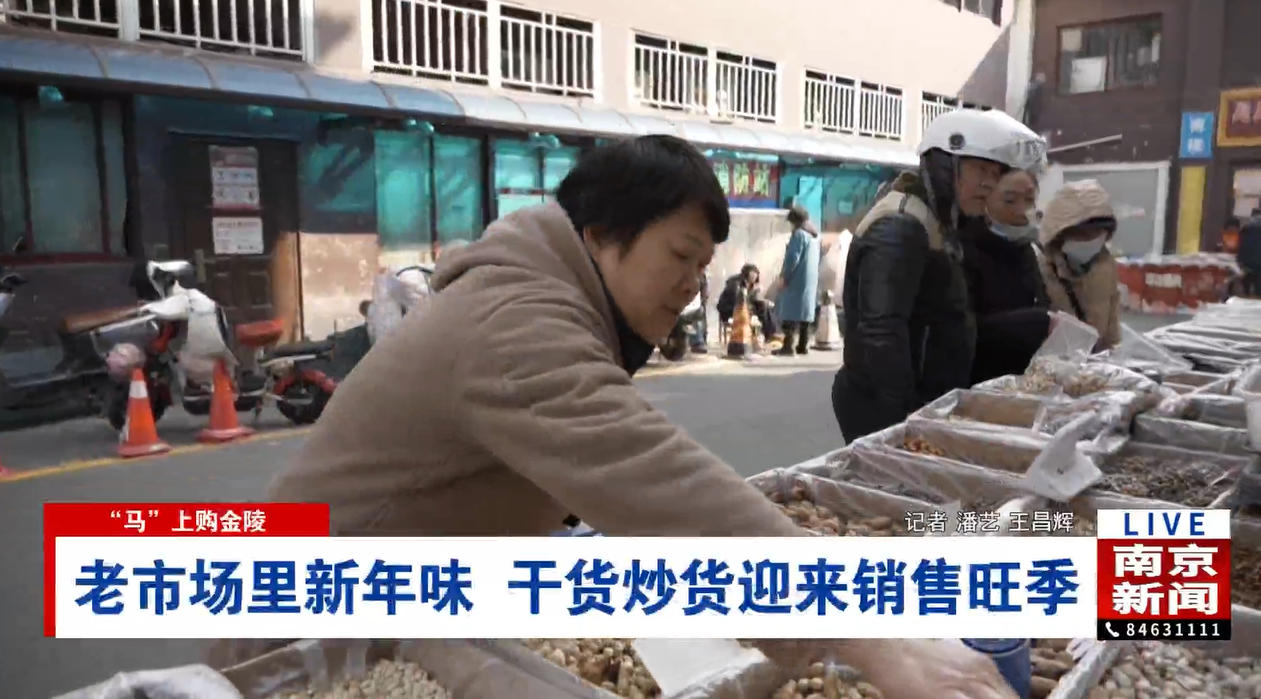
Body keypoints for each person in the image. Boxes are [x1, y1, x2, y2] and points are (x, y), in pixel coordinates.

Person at [263, 135, 1015, 698]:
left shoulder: (545, 298)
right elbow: (655, 477)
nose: (691, 288)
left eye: (702, 268)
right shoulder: (513, 321)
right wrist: (877, 643)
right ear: (599, 235)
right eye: (679, 257)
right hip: (306, 629)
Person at [831, 109, 1047, 442]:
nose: (989, 183)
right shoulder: (902, 225)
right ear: (946, 165)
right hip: (887, 410)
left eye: (995, 173)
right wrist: (905, 426)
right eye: (980, 169)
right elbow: (882, 335)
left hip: (925, 403)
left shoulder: (938, 221)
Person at [961, 166, 1053, 384]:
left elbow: (1041, 302)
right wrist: (1035, 322)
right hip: (978, 382)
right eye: (1010, 200)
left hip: (1023, 382)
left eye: (1029, 199)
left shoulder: (1026, 250)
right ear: (984, 201)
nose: (1022, 210)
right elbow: (962, 328)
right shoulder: (963, 250)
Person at [1036, 178, 1122, 350]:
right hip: (1053, 360)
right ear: (1059, 234)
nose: (1091, 240)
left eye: (1098, 232)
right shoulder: (1039, 270)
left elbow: (1112, 325)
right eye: (1082, 233)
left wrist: (1111, 356)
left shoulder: (1106, 266)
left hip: (1096, 360)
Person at [775, 204, 821, 356]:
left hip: (797, 279)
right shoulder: (814, 236)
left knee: (790, 311)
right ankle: (803, 346)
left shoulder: (799, 235)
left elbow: (792, 258)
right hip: (810, 280)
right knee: (804, 314)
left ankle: (788, 346)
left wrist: (784, 277)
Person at [717, 263, 779, 344]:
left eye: (755, 274)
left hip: (742, 307)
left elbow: (752, 299)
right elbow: (737, 299)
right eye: (752, 274)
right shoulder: (735, 283)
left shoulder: (751, 284)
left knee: (764, 306)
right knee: (761, 306)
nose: (754, 277)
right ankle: (770, 333)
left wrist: (762, 300)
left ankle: (771, 333)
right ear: (747, 273)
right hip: (730, 309)